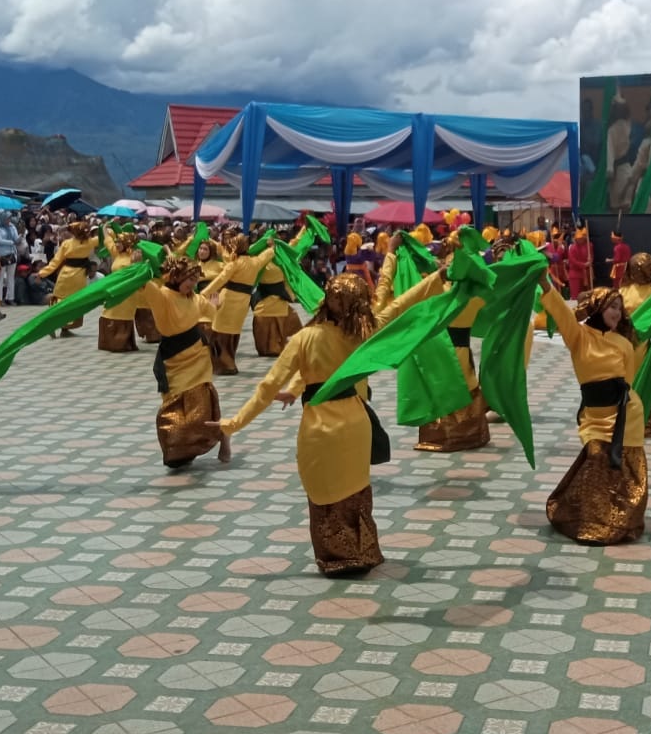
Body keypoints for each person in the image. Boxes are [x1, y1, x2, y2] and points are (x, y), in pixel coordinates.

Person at [210, 267, 445, 574]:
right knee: (355, 489)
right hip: (355, 419)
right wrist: (436, 278)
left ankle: (336, 557)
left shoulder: (305, 338)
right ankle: (362, 552)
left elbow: (268, 386)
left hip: (319, 426)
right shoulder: (366, 333)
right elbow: (400, 305)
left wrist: (234, 423)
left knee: (324, 489)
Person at [539, 277, 648, 545]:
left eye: (620, 308)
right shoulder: (578, 336)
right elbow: (562, 314)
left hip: (627, 414)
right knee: (597, 460)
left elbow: (629, 380)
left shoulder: (623, 343)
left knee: (627, 471)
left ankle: (622, 523)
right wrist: (545, 283)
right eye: (612, 306)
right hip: (595, 416)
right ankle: (590, 520)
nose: (617, 313)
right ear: (598, 307)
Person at [393, 236, 490, 453]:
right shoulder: (475, 298)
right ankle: (473, 433)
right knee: (466, 385)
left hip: (443, 349)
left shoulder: (442, 295)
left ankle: (446, 436)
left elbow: (417, 294)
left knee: (444, 387)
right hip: (461, 349)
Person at [139, 255, 233, 469]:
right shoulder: (162, 296)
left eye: (195, 280)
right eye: (188, 279)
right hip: (173, 359)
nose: (192, 284)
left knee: (198, 411)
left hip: (197, 357)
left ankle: (222, 435)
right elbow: (144, 285)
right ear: (175, 276)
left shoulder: (195, 298)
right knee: (174, 411)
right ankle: (178, 451)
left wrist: (215, 305)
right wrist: (138, 267)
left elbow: (209, 309)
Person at [201, 233, 276, 374]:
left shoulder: (234, 264)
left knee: (219, 331)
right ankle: (229, 363)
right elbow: (267, 255)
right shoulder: (255, 262)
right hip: (243, 302)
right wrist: (271, 247)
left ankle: (223, 365)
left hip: (228, 299)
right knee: (233, 332)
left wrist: (204, 293)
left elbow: (220, 280)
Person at [616, 253, 651, 436]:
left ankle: (640, 421)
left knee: (642, 382)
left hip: (636, 344)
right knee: (647, 382)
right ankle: (645, 422)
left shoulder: (627, 291)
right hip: (637, 344)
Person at [37, 219, 97, 338]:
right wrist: (106, 227)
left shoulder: (67, 243)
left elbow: (55, 262)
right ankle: (65, 327)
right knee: (75, 302)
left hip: (65, 275)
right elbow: (107, 235)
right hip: (79, 276)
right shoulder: (90, 242)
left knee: (59, 300)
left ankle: (56, 325)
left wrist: (41, 273)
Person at [97, 230, 142, 353]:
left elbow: (138, 273)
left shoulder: (134, 256)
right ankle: (108, 343)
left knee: (121, 315)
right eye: (116, 241)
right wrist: (104, 230)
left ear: (127, 243)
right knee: (107, 313)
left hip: (126, 294)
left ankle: (120, 344)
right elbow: (109, 243)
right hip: (113, 291)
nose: (116, 244)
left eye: (119, 242)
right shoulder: (117, 254)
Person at [0, 210, 20, 305]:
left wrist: (21, 235)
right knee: (0, 277)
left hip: (12, 254)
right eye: (7, 218)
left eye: (9, 218)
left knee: (11, 277)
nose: (9, 220)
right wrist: (11, 242)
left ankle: (10, 298)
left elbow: (16, 239)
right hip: (1, 255)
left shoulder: (11, 226)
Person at [566, 227, 594, 301]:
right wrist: (584, 264)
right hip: (575, 273)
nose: (580, 240)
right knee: (575, 295)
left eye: (582, 238)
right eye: (579, 238)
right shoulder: (572, 248)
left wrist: (590, 260)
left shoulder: (589, 245)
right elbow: (573, 261)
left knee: (586, 295)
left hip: (586, 273)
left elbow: (591, 256)